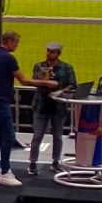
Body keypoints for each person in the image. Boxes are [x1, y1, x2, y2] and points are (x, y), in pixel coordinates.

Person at [0, 29, 46, 188]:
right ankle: (5, 172)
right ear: (10, 42)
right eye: (16, 42)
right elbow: (24, 80)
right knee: (9, 136)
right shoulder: (8, 58)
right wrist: (46, 83)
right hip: (1, 102)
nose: (17, 46)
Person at [27, 41, 79, 178]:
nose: (48, 53)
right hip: (41, 104)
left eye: (52, 51)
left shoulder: (67, 68)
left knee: (58, 137)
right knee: (37, 136)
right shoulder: (39, 66)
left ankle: (56, 162)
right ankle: (32, 163)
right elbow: (33, 81)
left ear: (58, 53)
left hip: (59, 106)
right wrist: (43, 80)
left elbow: (73, 85)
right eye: (48, 51)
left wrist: (59, 91)